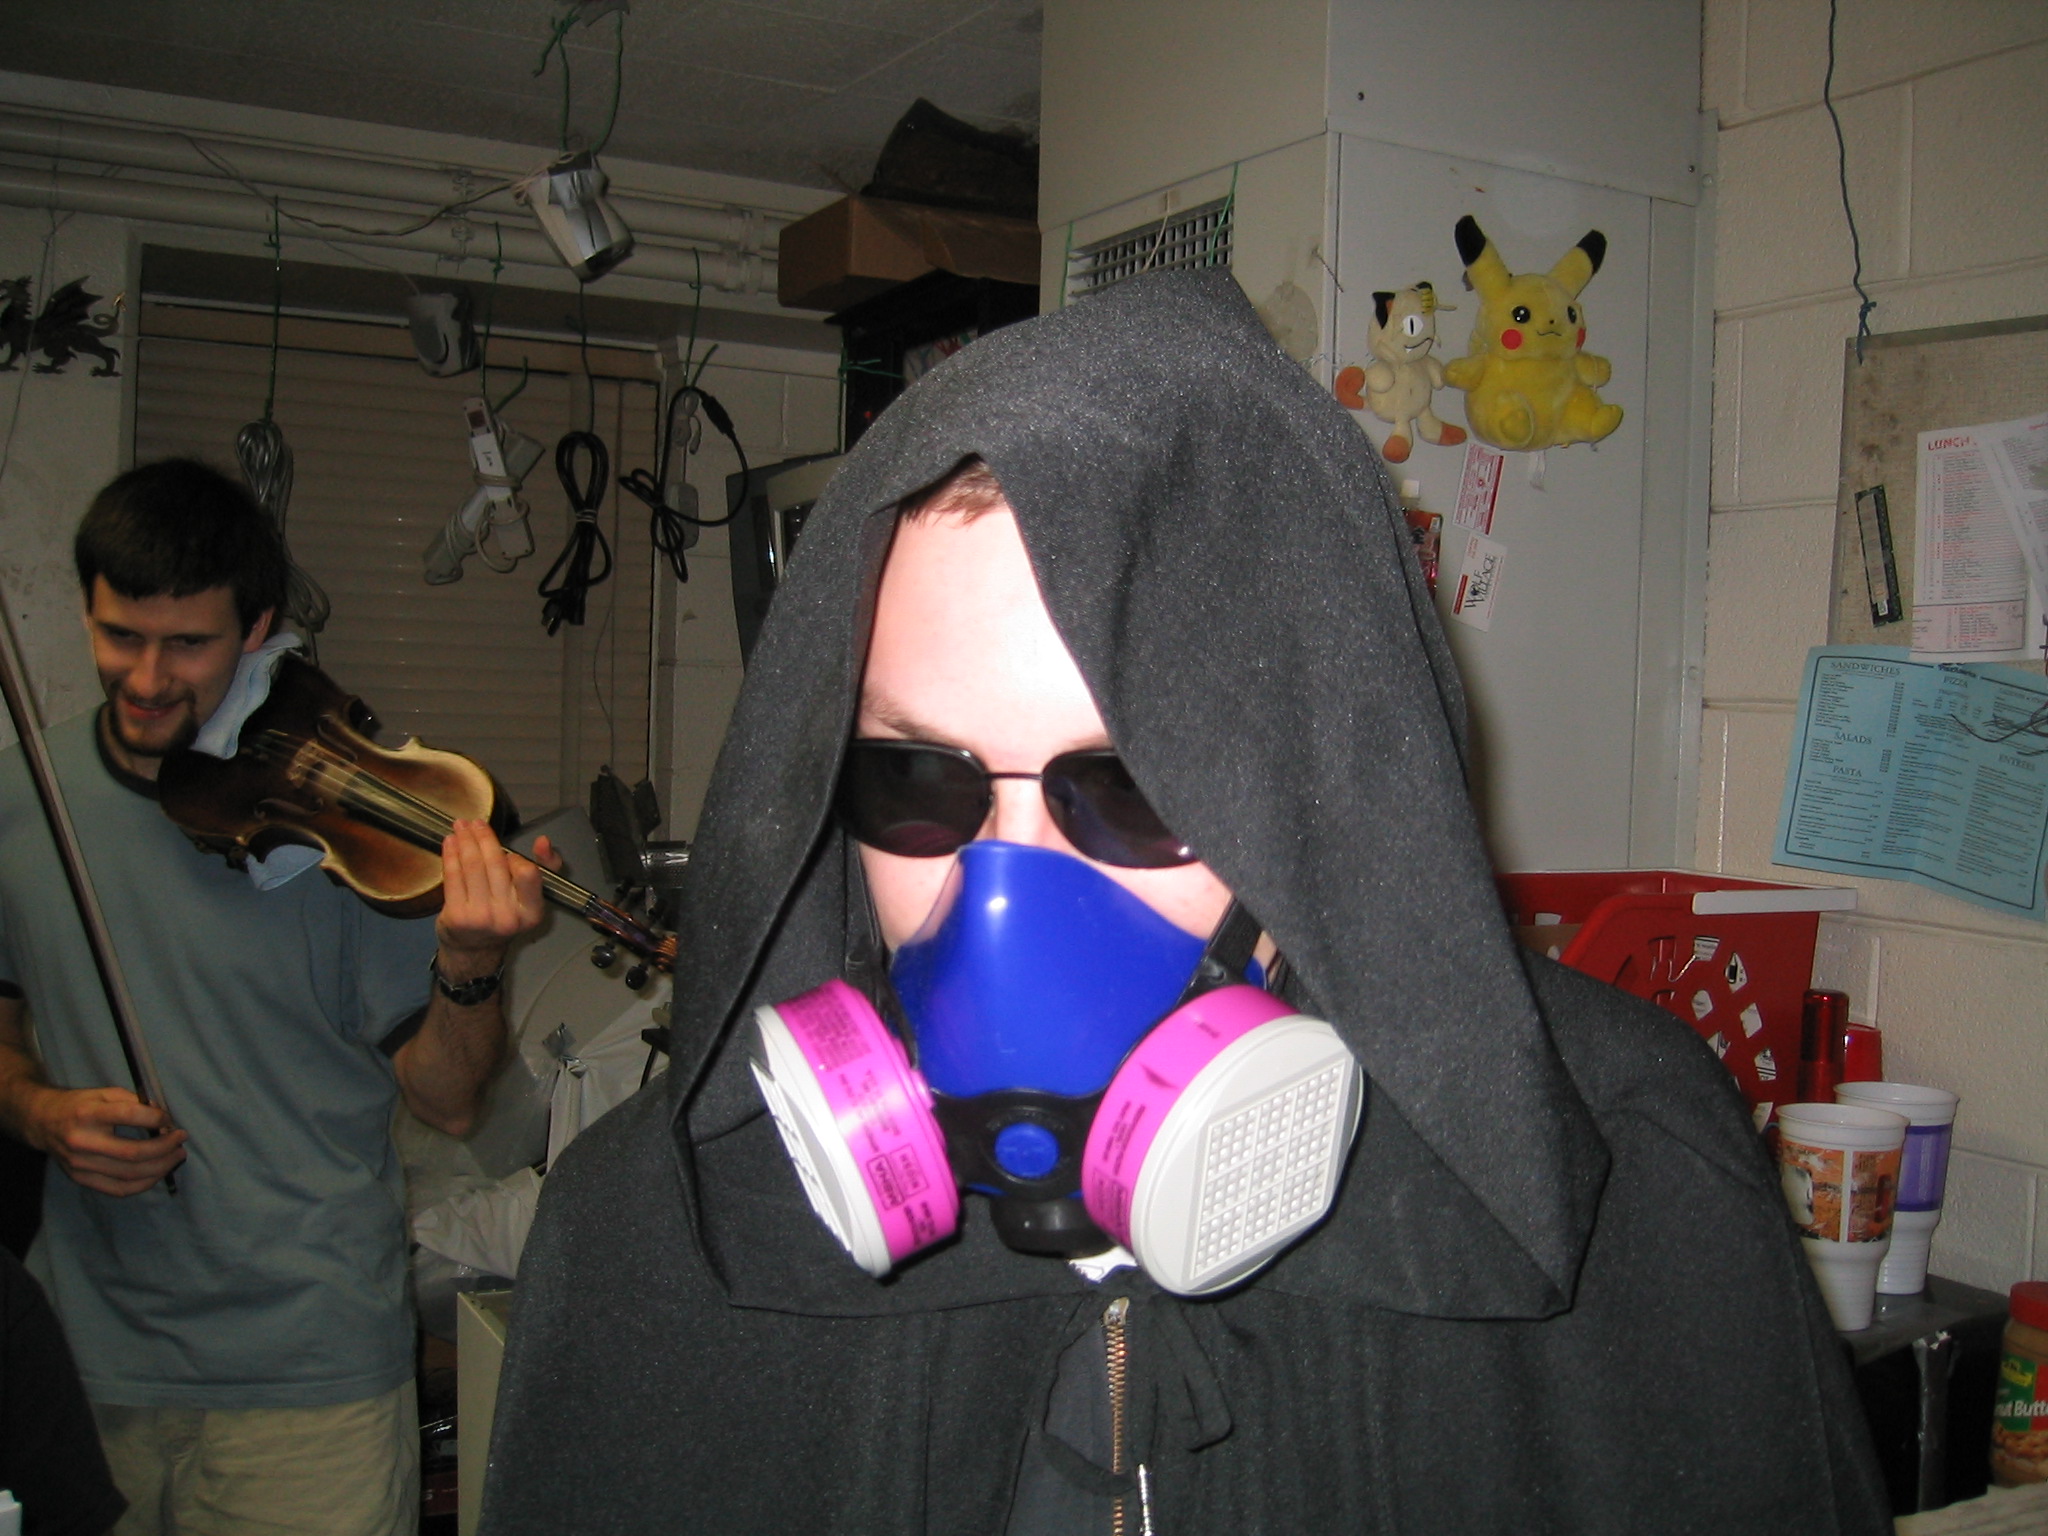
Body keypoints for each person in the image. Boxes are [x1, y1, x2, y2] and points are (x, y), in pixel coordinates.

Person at [481, 274, 1890, 1533]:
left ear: (1315, 790)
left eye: (1135, 785)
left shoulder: (1632, 1180)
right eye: (918, 778)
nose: (1003, 894)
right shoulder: (652, 1238)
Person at [0, 459, 550, 1536]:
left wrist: (471, 962)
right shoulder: (23, 796)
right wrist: (37, 1111)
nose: (146, 677)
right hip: (78, 1368)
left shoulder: (343, 821)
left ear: (256, 629)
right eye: (119, 636)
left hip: (312, 1385)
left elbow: (447, 1101)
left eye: (187, 645)